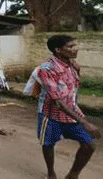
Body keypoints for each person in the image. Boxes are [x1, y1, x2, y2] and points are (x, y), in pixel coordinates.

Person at [35, 35, 101, 179]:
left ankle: (72, 175)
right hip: (51, 114)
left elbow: (74, 89)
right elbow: (57, 101)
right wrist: (85, 122)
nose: (75, 49)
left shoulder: (71, 64)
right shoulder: (47, 69)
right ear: (58, 50)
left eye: (74, 45)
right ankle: (51, 173)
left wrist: (78, 71)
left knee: (89, 145)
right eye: (70, 47)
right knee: (48, 143)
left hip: (71, 112)